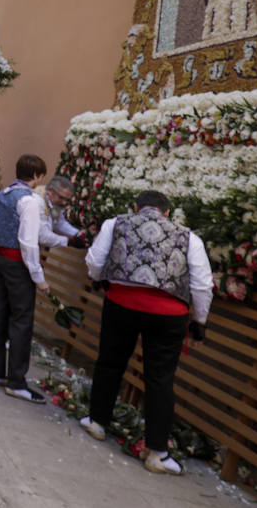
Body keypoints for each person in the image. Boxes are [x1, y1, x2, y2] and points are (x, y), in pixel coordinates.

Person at [81, 190, 213, 475]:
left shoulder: (115, 222)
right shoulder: (190, 237)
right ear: (168, 212)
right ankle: (158, 452)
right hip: (168, 314)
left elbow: (95, 259)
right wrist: (199, 321)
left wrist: (97, 279)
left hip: (122, 304)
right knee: (161, 379)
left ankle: (97, 422)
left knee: (110, 362)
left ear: (136, 207)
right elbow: (202, 284)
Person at [0, 154, 73, 403]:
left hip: (1, 258)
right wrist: (38, 276)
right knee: (21, 321)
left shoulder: (1, 195)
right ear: (37, 176)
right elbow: (28, 241)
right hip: (18, 264)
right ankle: (16, 382)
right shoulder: (31, 201)